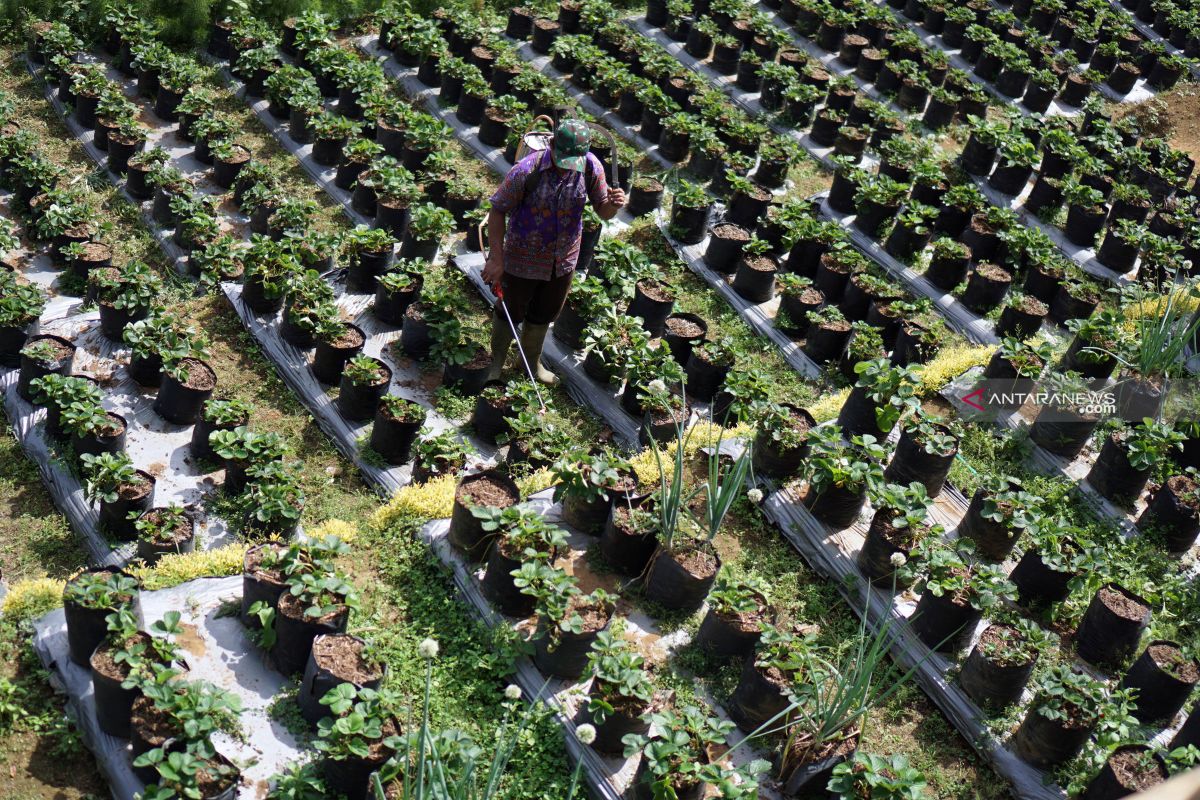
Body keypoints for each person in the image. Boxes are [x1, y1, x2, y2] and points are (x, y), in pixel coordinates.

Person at [482, 118, 626, 384]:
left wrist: (614, 205)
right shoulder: (527, 170)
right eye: (563, 158)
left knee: (544, 314)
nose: (567, 166)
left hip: (563, 259)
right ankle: (496, 363)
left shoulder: (591, 167)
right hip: (521, 258)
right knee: (510, 311)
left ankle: (529, 364)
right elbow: (498, 210)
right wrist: (497, 258)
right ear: (551, 145)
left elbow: (603, 210)